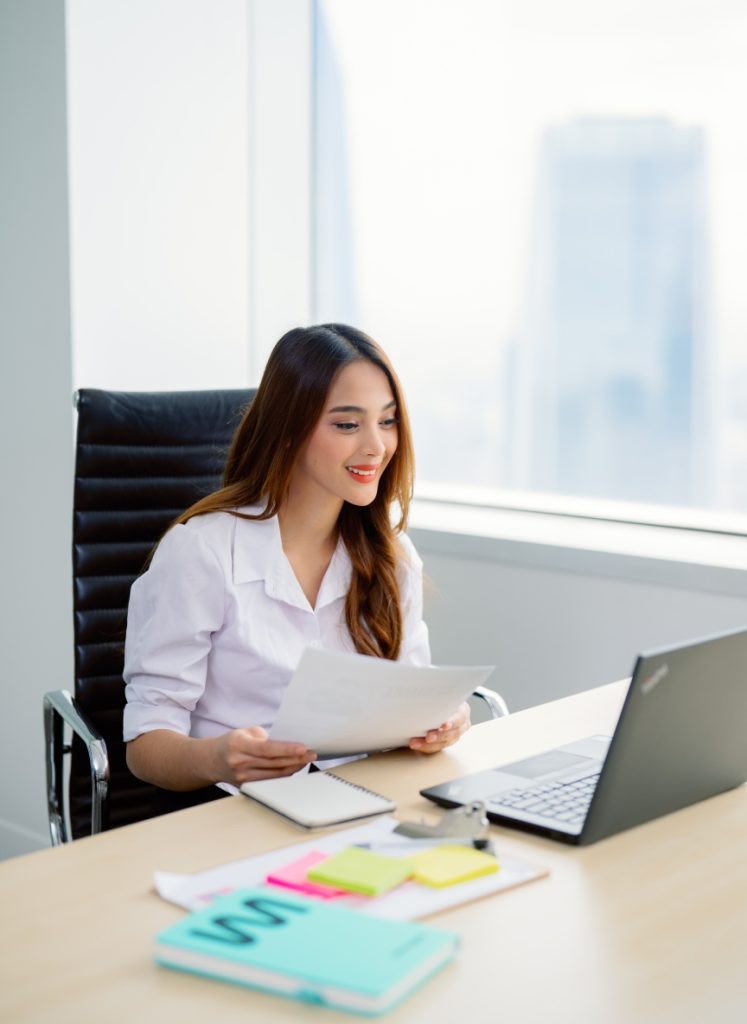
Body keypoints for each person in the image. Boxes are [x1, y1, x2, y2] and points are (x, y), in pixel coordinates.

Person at [123, 324, 470, 805]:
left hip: (357, 803)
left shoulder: (392, 555)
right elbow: (146, 746)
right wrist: (219, 759)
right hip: (232, 812)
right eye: (348, 424)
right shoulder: (202, 552)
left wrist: (440, 724)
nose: (376, 446)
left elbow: (410, 697)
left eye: (387, 421)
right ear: (288, 430)